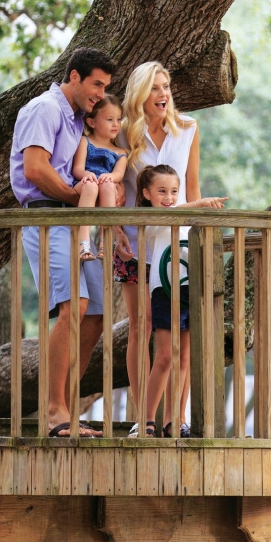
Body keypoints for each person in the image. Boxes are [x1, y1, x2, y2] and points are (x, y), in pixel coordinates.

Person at [10, 47, 117, 437]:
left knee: (96, 313)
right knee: (75, 305)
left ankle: (67, 409)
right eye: (96, 84)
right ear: (74, 76)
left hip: (75, 220)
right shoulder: (45, 109)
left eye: (106, 86)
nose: (100, 93)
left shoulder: (76, 122)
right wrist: (76, 197)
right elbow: (35, 169)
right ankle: (54, 413)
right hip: (48, 216)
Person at [114, 61, 203, 436]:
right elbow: (119, 191)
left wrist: (198, 241)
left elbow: (193, 188)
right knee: (141, 327)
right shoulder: (123, 134)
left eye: (166, 86)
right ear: (139, 94)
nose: (163, 94)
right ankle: (143, 419)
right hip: (136, 245)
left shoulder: (188, 129)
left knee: (183, 332)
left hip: (177, 248)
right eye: (154, 88)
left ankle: (176, 419)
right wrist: (116, 231)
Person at [134, 165, 226, 437]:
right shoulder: (152, 218)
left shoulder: (184, 218)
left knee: (184, 358)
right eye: (162, 191)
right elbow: (164, 218)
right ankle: (147, 420)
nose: (169, 197)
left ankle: (174, 420)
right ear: (147, 193)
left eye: (174, 191)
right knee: (164, 356)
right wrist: (196, 204)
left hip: (189, 288)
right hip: (165, 288)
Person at [70, 94, 128, 261]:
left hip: (105, 186)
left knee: (108, 185)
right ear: (92, 122)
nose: (116, 124)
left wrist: (109, 176)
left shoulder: (121, 152)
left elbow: (119, 174)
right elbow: (77, 169)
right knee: (91, 186)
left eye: (118, 119)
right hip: (84, 184)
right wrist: (87, 175)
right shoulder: (84, 142)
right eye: (110, 119)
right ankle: (83, 242)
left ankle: (105, 240)